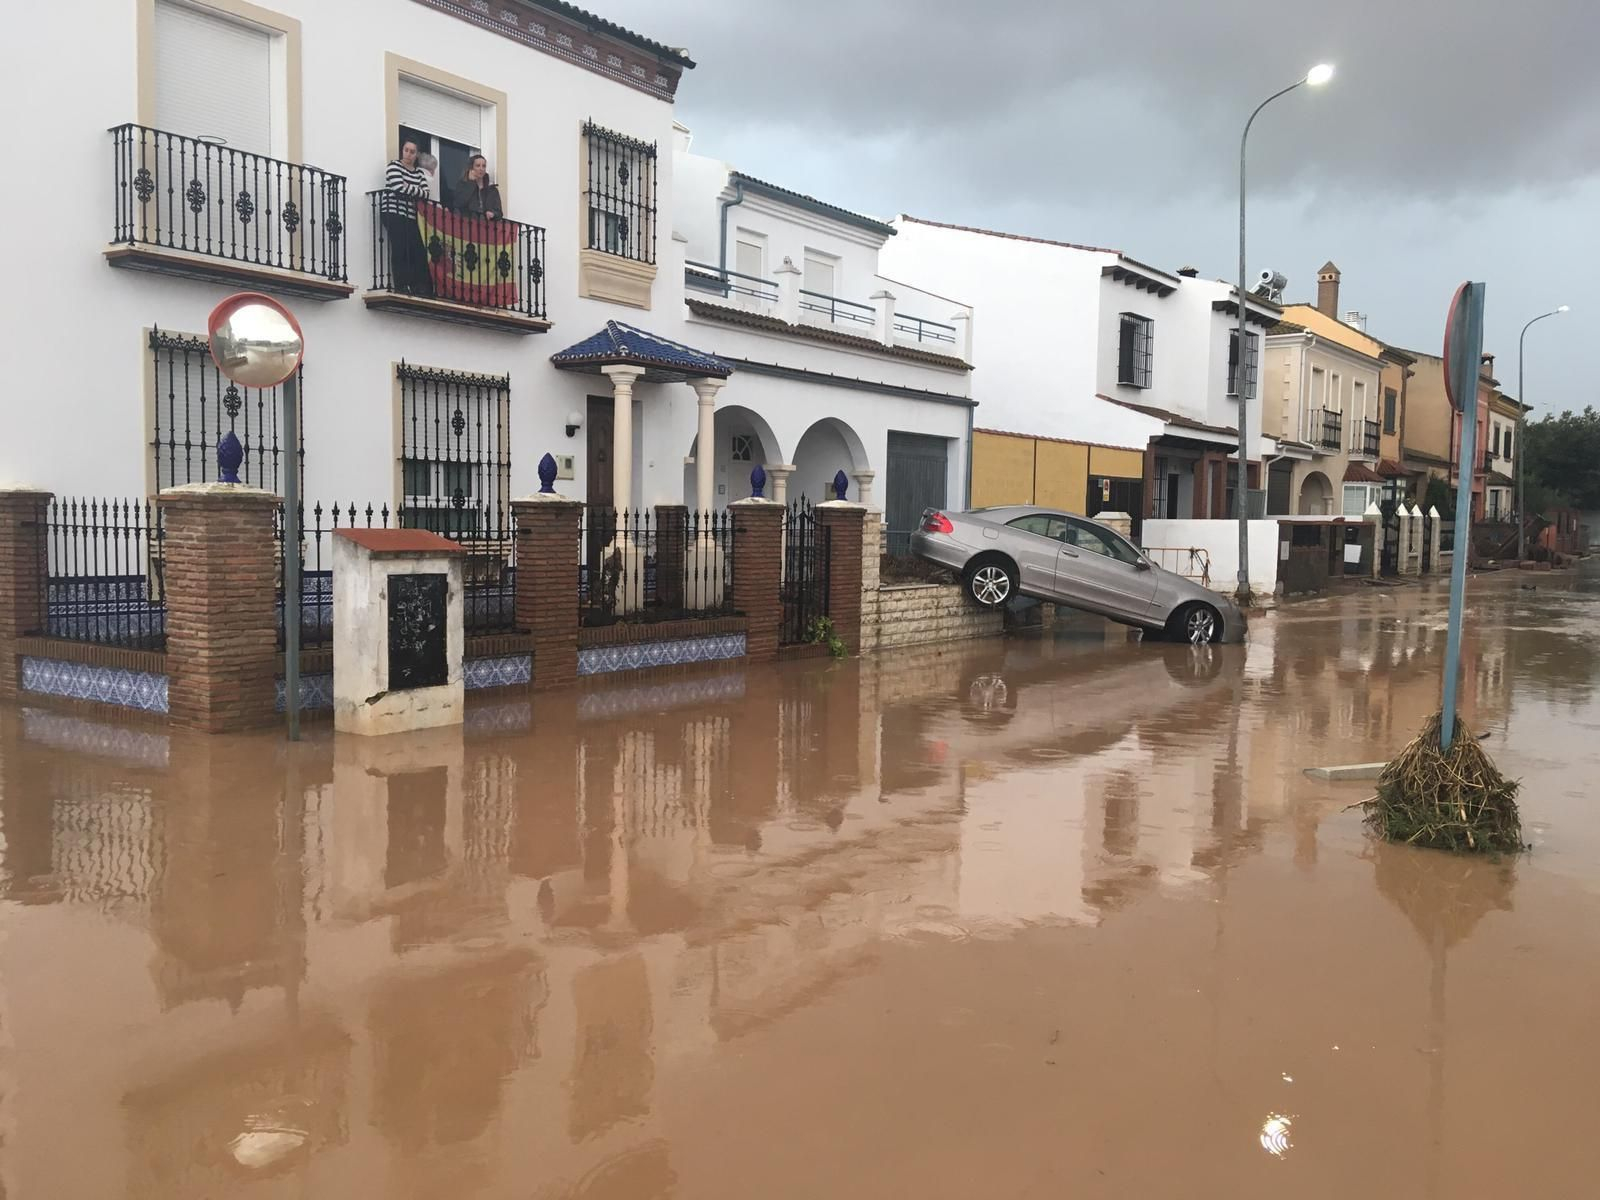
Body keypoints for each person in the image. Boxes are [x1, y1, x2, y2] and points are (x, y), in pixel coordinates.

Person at [380, 138, 434, 296]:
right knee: (400, 248)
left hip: (410, 216)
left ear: (417, 155)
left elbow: (425, 194)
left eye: (412, 152)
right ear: (402, 150)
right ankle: (401, 285)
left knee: (417, 250)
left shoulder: (419, 173)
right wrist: (413, 190)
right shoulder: (394, 166)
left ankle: (419, 287)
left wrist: (407, 187)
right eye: (406, 150)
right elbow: (398, 187)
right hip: (392, 212)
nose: (408, 154)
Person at [453, 155, 503, 221]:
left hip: (486, 225)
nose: (481, 169)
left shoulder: (492, 189)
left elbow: (499, 213)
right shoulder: (462, 185)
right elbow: (458, 203)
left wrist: (493, 214)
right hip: (468, 223)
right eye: (478, 166)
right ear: (471, 168)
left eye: (484, 166)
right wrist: (471, 183)